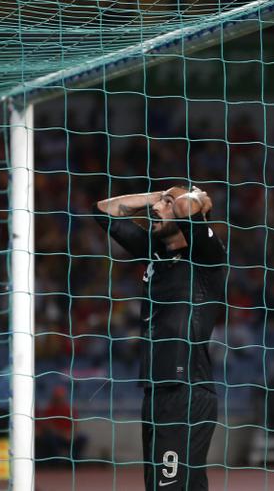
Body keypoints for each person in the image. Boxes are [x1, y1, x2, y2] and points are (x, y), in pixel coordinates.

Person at [93, 185, 225, 491]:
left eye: (166, 205)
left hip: (186, 389)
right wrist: (156, 197)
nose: (156, 209)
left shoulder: (205, 256)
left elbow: (189, 211)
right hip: (156, 389)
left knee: (169, 487)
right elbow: (101, 209)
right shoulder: (155, 252)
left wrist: (188, 199)